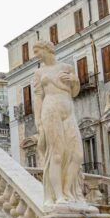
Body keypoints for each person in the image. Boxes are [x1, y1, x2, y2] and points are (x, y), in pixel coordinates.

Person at [32, 40, 85, 207]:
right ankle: (58, 195)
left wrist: (74, 80)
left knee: (77, 155)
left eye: (37, 50)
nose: (36, 55)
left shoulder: (66, 67)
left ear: (47, 49)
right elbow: (38, 98)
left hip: (68, 109)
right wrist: (38, 121)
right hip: (50, 109)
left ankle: (68, 190)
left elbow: (75, 92)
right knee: (56, 154)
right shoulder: (39, 73)